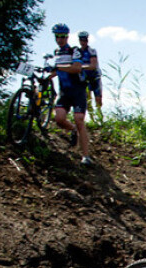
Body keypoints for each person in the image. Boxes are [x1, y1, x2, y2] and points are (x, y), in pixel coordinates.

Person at [49, 23, 93, 166]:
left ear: (67, 37)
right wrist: (47, 75)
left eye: (62, 36)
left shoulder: (74, 51)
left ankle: (86, 156)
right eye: (57, 37)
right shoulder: (56, 53)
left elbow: (76, 68)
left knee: (79, 119)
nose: (60, 39)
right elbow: (57, 71)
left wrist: (59, 68)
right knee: (59, 119)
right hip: (64, 91)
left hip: (78, 90)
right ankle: (72, 130)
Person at [77, 31, 102, 112]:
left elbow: (93, 65)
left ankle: (100, 116)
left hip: (95, 77)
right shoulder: (77, 52)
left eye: (85, 40)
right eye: (81, 40)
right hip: (84, 78)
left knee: (98, 99)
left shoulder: (91, 51)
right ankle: (92, 118)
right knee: (88, 99)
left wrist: (81, 67)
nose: (83, 42)